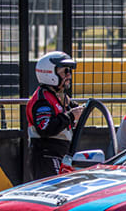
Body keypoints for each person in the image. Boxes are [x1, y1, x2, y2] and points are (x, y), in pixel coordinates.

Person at [27, 51, 84, 179]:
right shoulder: (43, 100)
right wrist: (70, 116)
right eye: (65, 72)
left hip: (61, 154)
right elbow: (45, 128)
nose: (69, 75)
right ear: (50, 73)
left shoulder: (60, 96)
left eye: (69, 71)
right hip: (46, 155)